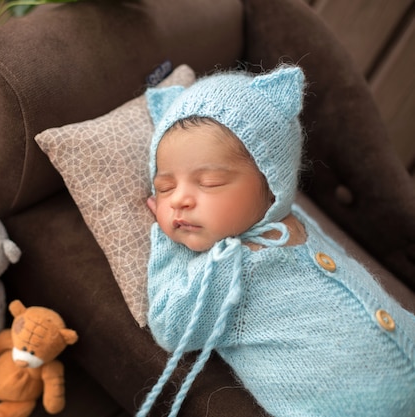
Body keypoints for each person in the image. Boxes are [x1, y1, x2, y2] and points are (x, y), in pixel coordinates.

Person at [136, 65, 415, 417]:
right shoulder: (217, 274)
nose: (179, 200)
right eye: (164, 188)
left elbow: (342, 260)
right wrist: (168, 242)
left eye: (208, 182)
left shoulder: (292, 218)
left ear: (272, 183)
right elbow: (171, 326)